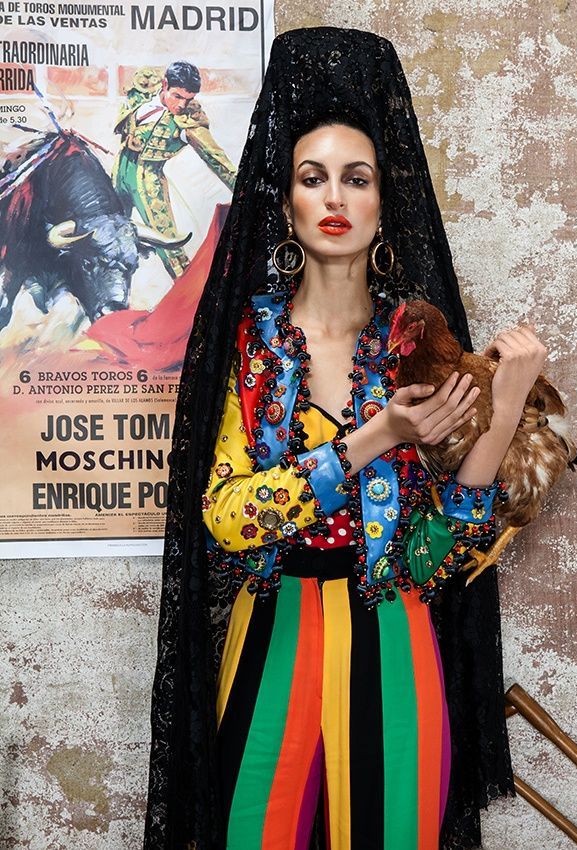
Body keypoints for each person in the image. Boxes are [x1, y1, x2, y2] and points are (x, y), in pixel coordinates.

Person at [143, 28, 547, 850]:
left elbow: (436, 556)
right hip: (272, 638)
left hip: (398, 640)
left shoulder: (418, 344)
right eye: (312, 177)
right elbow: (226, 518)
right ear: (285, 202)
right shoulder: (250, 345)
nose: (334, 197)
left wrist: (504, 410)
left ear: (384, 201)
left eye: (356, 178)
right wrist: (375, 436)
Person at [112, 61, 238, 278]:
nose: (181, 105)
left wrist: (243, 189)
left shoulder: (188, 121)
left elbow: (215, 157)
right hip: (119, 173)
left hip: (148, 183)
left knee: (169, 246)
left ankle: (189, 296)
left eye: (188, 99)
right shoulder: (144, 90)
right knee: (109, 234)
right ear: (164, 85)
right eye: (177, 96)